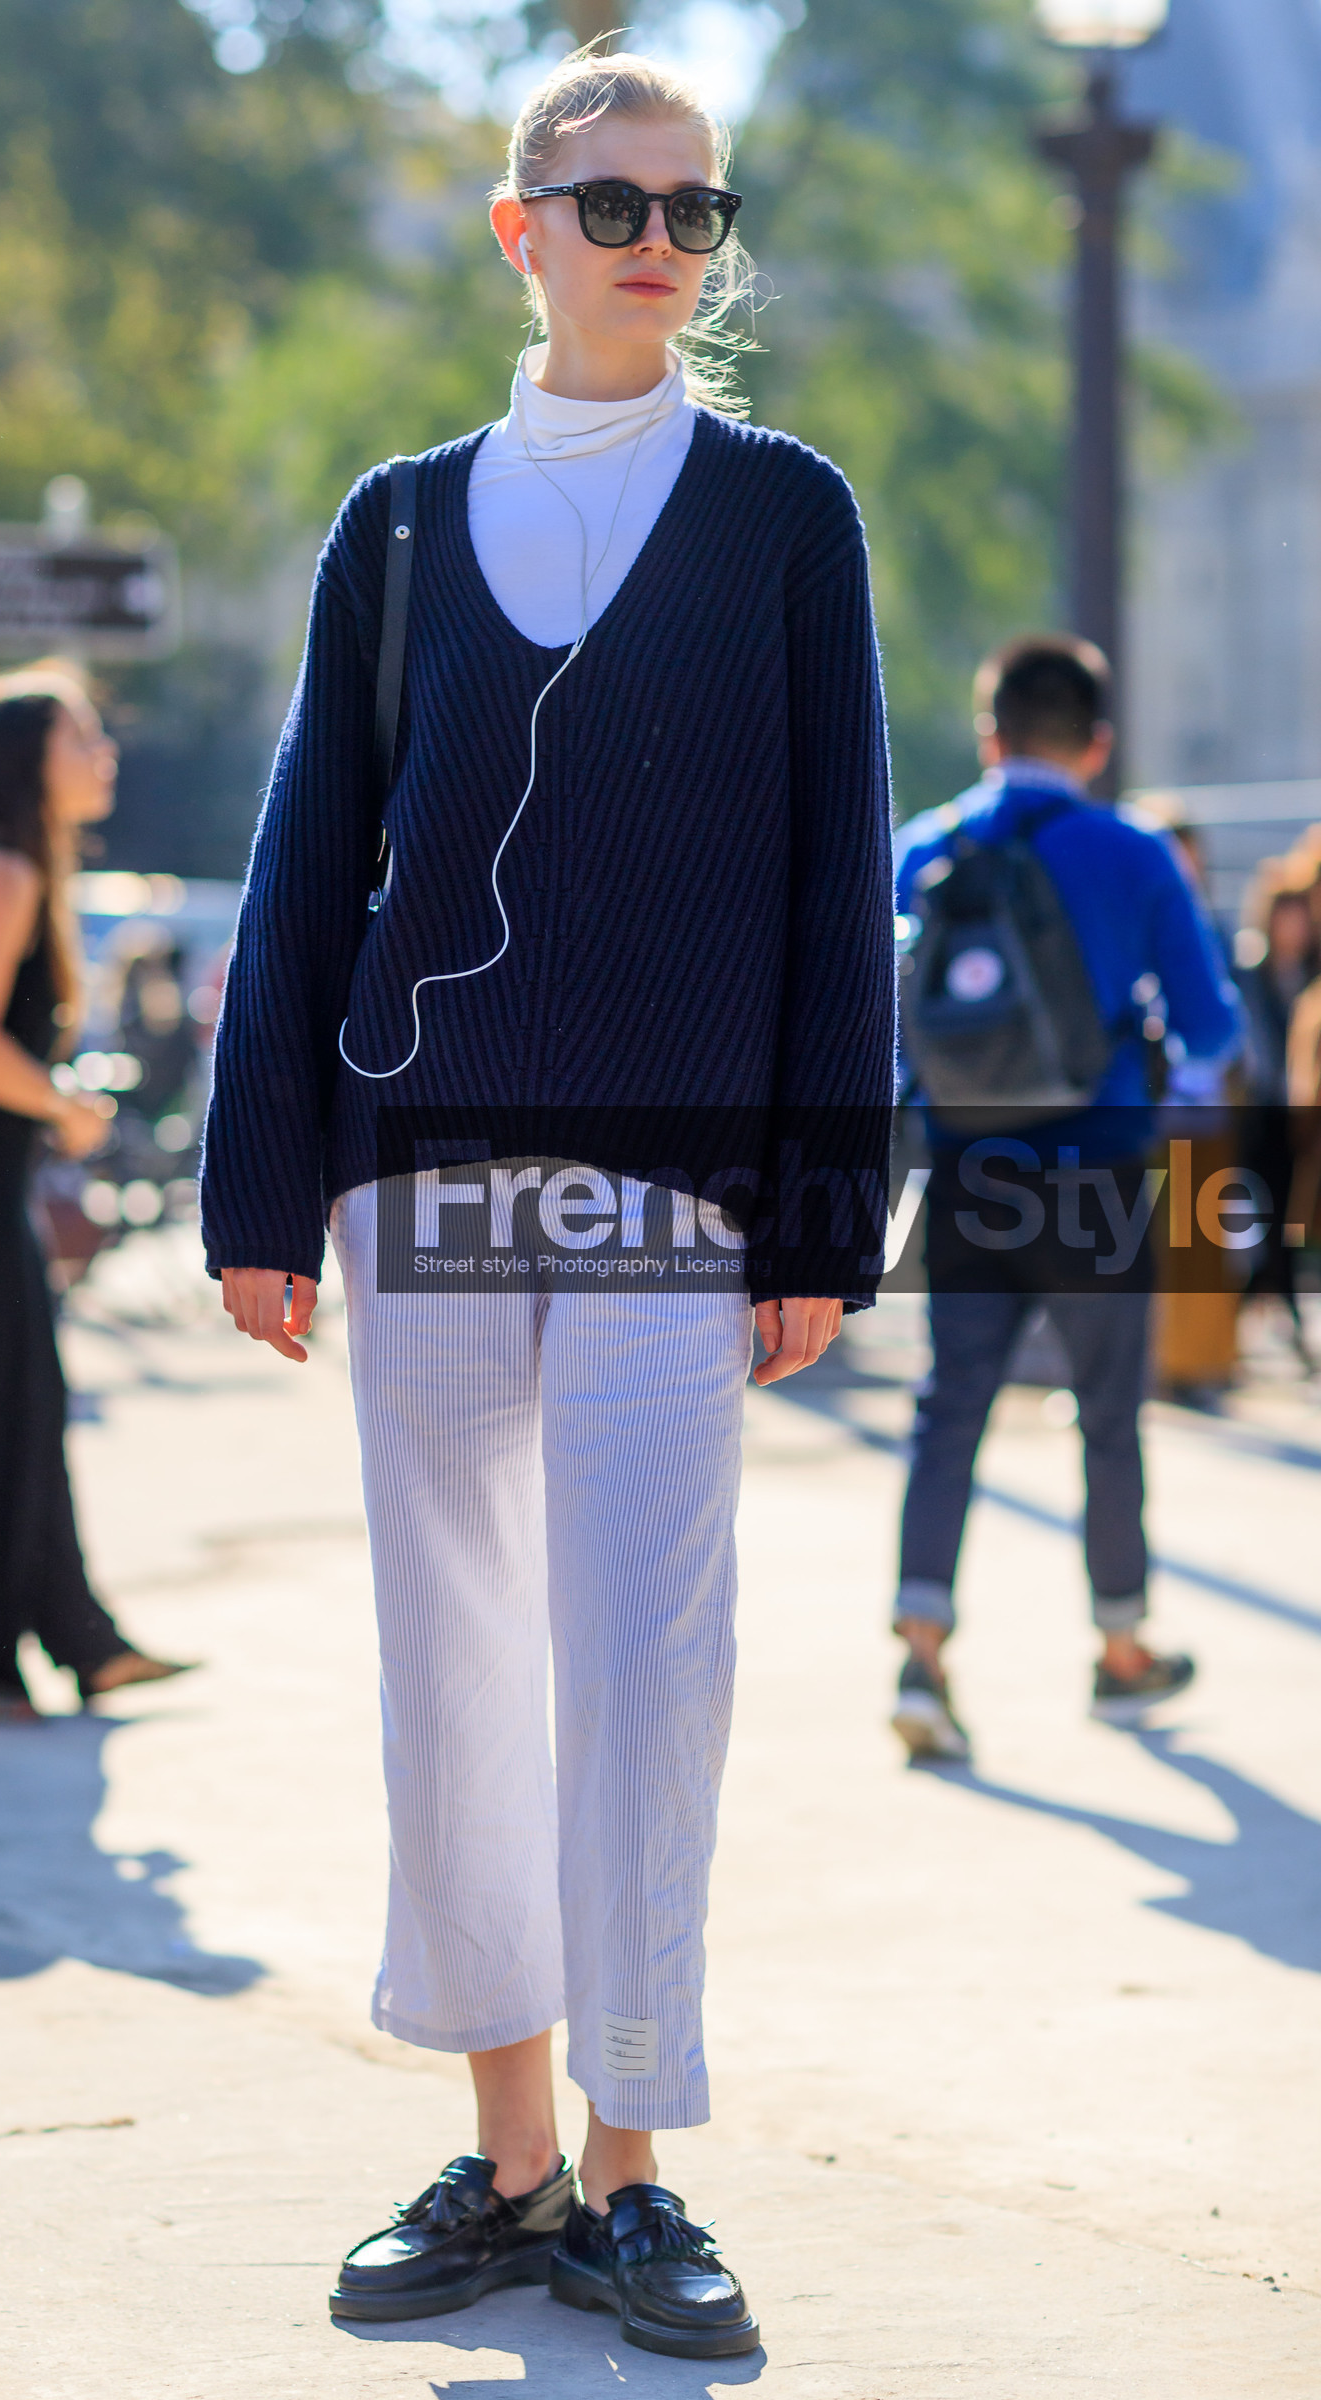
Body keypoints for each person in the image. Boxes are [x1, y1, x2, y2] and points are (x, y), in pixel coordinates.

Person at [201, 50, 894, 2363]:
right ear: (518, 229)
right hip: (420, 1180)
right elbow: (313, 857)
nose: (661, 248)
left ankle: (631, 2164)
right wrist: (257, 1173)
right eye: (613, 207)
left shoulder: (788, 515)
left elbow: (833, 886)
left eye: (696, 212)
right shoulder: (396, 523)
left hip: (669, 1195)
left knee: (648, 1665)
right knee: (455, 1667)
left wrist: (819, 1204)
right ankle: (501, 2158)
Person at [890, 636, 1241, 1764]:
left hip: (962, 1172)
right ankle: (1121, 1647)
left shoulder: (921, 851)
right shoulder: (1132, 855)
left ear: (988, 734)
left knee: (952, 1409)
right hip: (1092, 1177)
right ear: (1095, 743)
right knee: (1106, 1419)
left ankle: (922, 1649)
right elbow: (1211, 1028)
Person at [0, 671, 191, 1717]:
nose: (105, 752)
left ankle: (77, 1640)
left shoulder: (20, 865)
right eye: (85, 737)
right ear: (31, 760)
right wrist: (64, 1108)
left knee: (22, 1409)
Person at [1234, 866, 1319, 1368]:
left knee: (1287, 1221)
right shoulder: (1249, 972)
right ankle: (1253, 1310)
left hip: (1298, 1118)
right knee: (1254, 1218)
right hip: (1257, 1113)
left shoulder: (1309, 975)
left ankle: (1279, 1309)